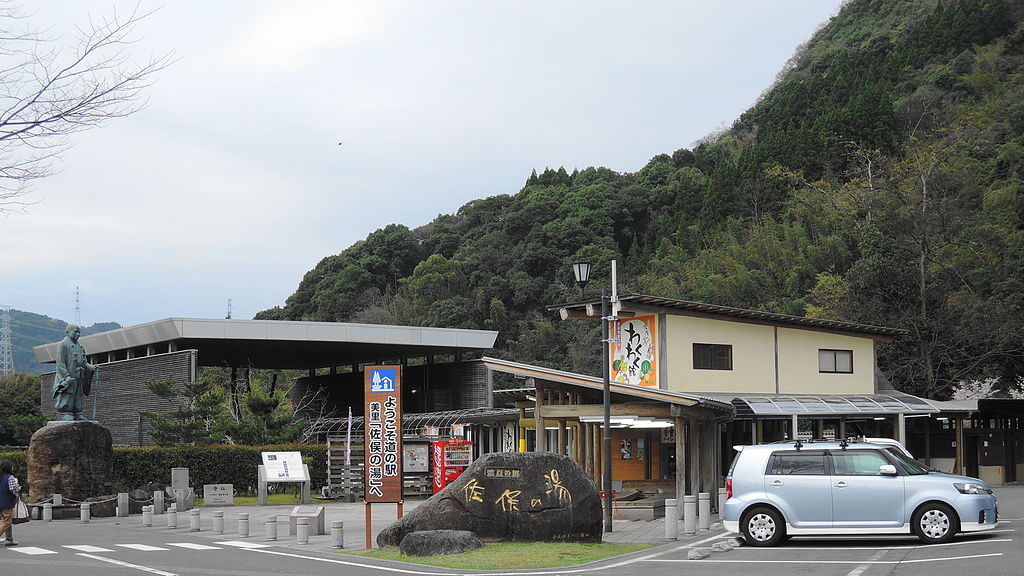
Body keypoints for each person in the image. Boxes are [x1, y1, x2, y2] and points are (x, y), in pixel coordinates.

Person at [52, 324, 98, 421]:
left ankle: (77, 413)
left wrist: (91, 367)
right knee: (67, 395)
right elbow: (60, 363)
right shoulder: (63, 345)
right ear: (68, 332)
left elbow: (84, 362)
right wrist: (66, 376)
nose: (77, 334)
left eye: (79, 332)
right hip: (68, 377)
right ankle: (64, 413)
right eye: (75, 332)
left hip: (79, 376)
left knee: (78, 395)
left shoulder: (81, 347)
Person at [0, 461, 20, 546]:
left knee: (6, 521)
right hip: (7, 502)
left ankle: (9, 539)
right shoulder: (10, 477)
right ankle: (8, 538)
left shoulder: (1, 477)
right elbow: (13, 490)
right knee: (7, 522)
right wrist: (18, 488)